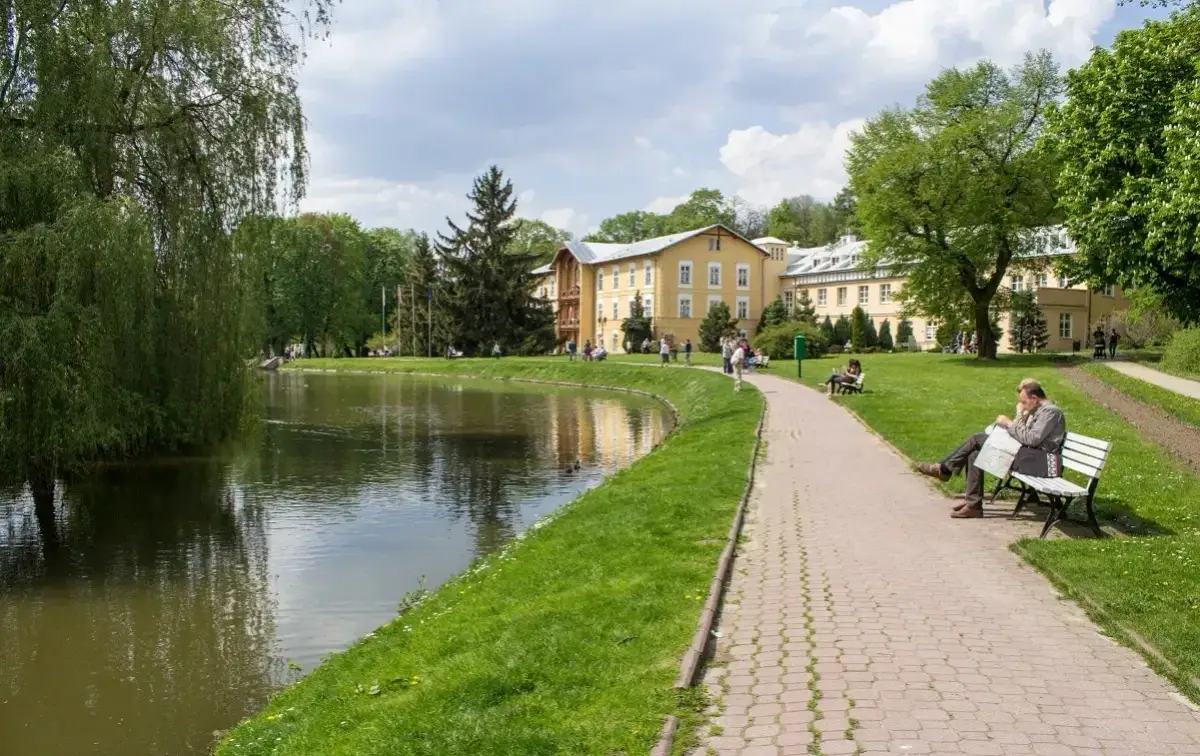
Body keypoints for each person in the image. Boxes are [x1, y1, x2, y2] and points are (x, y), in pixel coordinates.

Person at [915, 378, 1066, 519]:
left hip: (1041, 463)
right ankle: (973, 505)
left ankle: (944, 469)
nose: (1022, 406)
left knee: (977, 438)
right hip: (1028, 456)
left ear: (1034, 398)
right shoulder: (1037, 410)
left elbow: (1031, 439)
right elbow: (1022, 435)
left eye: (1024, 402)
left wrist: (1010, 423)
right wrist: (1019, 416)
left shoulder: (1050, 412)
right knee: (974, 453)